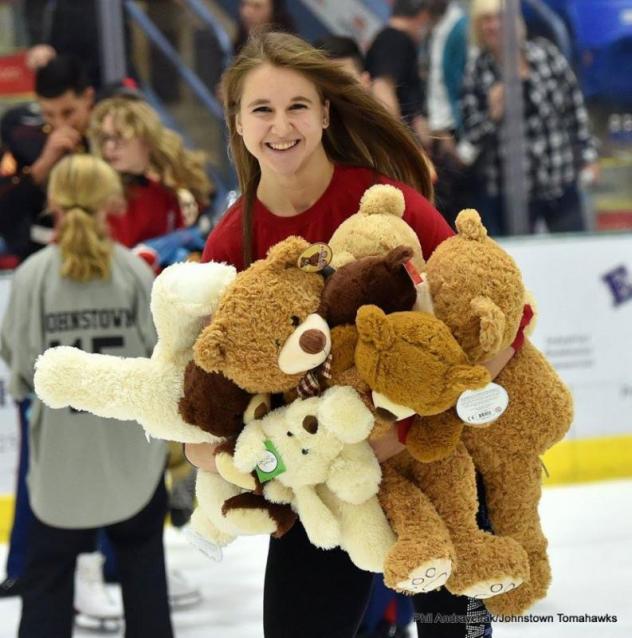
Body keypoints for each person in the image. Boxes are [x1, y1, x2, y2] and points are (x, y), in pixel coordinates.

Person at [185, 31, 507, 638]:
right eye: (262, 109)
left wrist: (409, 434)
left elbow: (496, 318)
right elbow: (212, 373)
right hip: (324, 487)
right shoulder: (232, 241)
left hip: (429, 470)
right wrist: (204, 441)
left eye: (297, 106)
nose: (281, 126)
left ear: (326, 112)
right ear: (237, 121)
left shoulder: (386, 202)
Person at [0, 153, 173, 638]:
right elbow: (159, 364)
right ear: (111, 201)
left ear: (52, 201)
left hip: (60, 470)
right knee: (145, 583)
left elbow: (18, 373)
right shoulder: (135, 272)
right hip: (131, 467)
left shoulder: (33, 276)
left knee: (46, 591)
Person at [460, 0, 599, 235]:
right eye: (486, 20)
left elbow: (574, 110)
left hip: (560, 179)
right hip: (510, 194)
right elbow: (470, 146)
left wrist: (589, 156)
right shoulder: (476, 73)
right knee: (518, 264)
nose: (493, 26)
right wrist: (491, 115)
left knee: (574, 253)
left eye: (499, 18)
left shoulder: (547, 55)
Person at [89, 96, 214, 251]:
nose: (109, 146)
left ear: (146, 138)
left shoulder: (177, 174)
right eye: (105, 138)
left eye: (119, 137)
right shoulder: (102, 191)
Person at [366, 0, 448, 149]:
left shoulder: (390, 38)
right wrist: (400, 147)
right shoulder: (394, 39)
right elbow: (382, 90)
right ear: (423, 16)